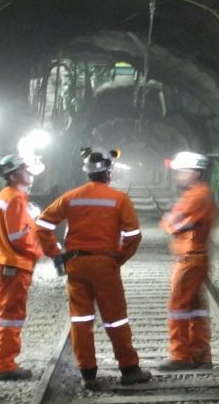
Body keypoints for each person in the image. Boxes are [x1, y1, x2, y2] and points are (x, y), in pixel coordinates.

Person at [34, 147, 152, 389]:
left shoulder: (71, 197)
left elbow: (42, 225)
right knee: (116, 319)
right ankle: (129, 369)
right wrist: (119, 259)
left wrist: (56, 255)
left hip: (76, 264)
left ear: (86, 172)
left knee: (81, 318)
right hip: (105, 264)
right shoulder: (119, 199)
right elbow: (133, 236)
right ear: (109, 173)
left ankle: (87, 374)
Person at [0, 154, 45, 381]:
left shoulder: (2, 196)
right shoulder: (15, 199)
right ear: (14, 176)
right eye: (24, 170)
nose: (30, 172)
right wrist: (37, 250)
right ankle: (5, 365)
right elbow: (19, 237)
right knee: (12, 315)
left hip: (1, 263)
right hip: (15, 265)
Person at [159, 151, 217, 370]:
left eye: (182, 171)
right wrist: (171, 219)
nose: (178, 176)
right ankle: (201, 356)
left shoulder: (197, 196)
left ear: (195, 172)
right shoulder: (197, 193)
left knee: (178, 306)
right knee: (195, 308)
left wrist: (168, 220)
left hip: (190, 258)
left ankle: (180, 356)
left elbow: (174, 224)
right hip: (194, 257)